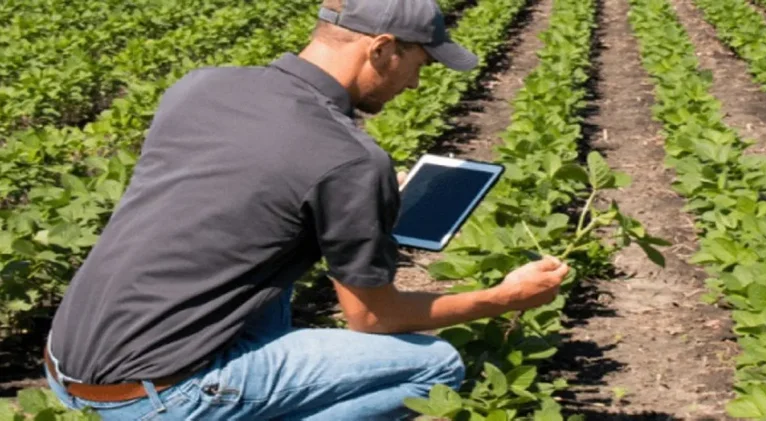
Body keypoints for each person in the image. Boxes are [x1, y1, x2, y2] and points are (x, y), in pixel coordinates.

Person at [43, 0, 571, 419]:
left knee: (274, 272)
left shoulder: (202, 84)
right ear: (383, 49)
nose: (414, 83)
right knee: (434, 367)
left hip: (67, 359)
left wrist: (360, 197)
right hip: (155, 394)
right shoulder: (349, 160)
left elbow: (250, 190)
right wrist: (505, 298)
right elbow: (372, 318)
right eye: (420, 65)